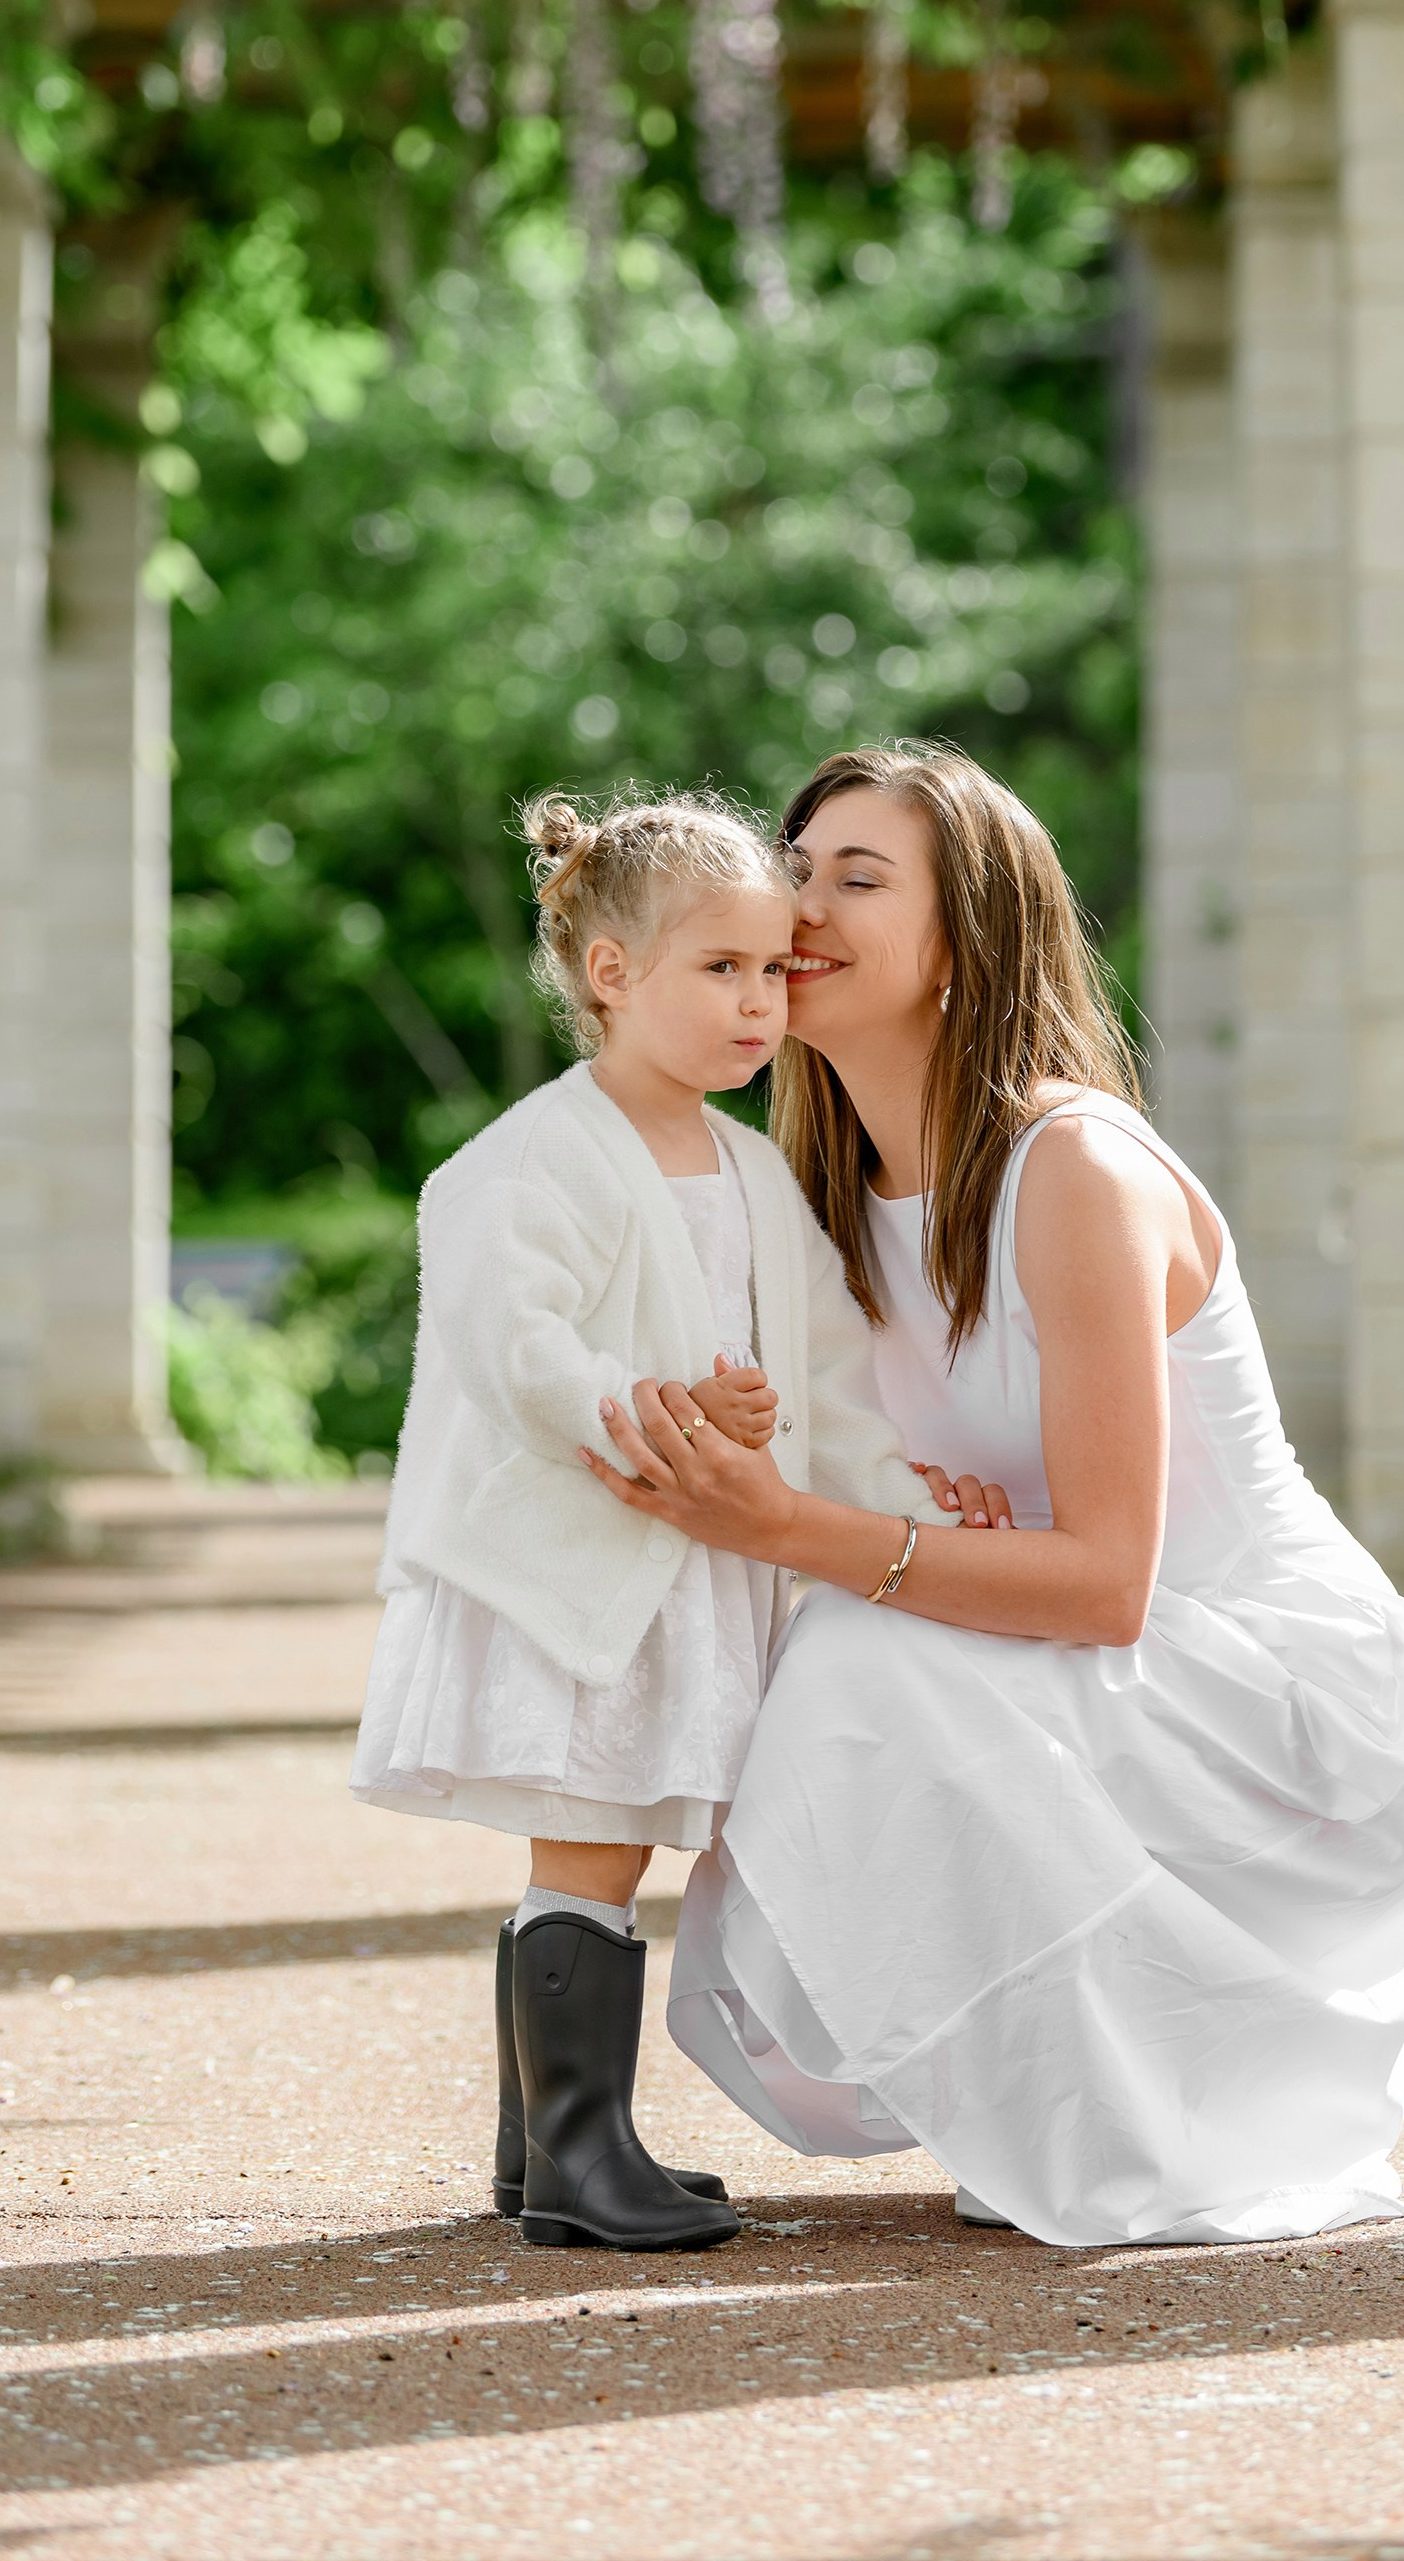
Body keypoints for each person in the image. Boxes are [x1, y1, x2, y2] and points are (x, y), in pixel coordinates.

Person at [581, 743, 1404, 2251]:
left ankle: (1126, 2118)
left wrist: (797, 1526)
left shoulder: (1075, 1170)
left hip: (1275, 1688)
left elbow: (1109, 1582)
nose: (801, 907)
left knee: (862, 1652)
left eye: (859, 879)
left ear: (970, 941)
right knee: (754, 1619)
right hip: (1099, 1666)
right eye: (794, 868)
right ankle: (559, 2070)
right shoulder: (816, 1194)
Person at [349, 788, 947, 2254]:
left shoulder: (745, 1169)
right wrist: (659, 1409)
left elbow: (823, 1366)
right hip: (586, 1559)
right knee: (591, 1844)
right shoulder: (531, 1157)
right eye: (722, 971)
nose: (760, 1004)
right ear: (611, 974)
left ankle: (547, 2146)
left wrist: (907, 1492)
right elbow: (517, 1345)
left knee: (611, 1844)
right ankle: (576, 2159)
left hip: (692, 1568)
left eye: (771, 972)